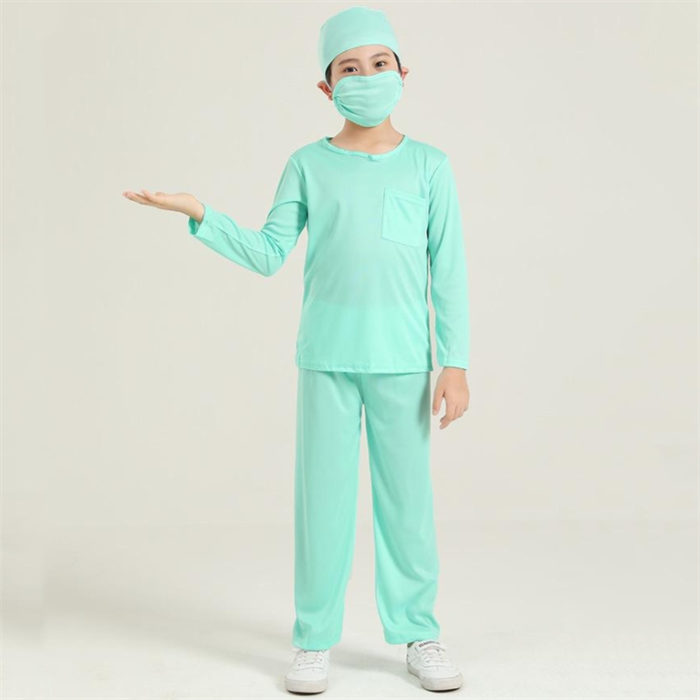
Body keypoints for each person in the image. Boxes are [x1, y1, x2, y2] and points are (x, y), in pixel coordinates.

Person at [123, 5, 469, 694]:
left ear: (403, 72)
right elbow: (267, 252)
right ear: (326, 86)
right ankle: (313, 640)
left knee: (407, 507)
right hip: (326, 361)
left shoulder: (431, 166)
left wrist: (454, 363)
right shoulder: (307, 165)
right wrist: (199, 212)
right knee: (323, 507)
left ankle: (419, 633)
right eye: (349, 68)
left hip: (404, 362)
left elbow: (448, 270)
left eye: (379, 64)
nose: (366, 77)